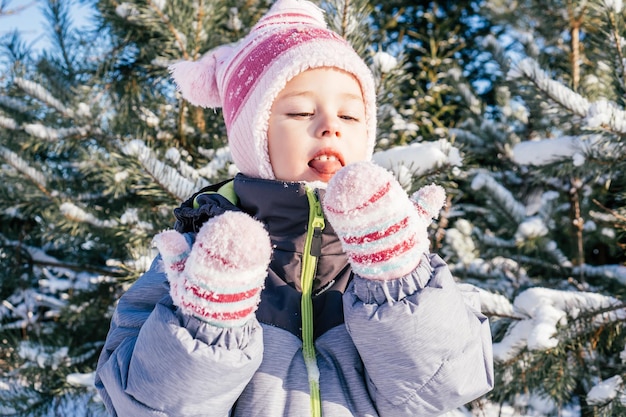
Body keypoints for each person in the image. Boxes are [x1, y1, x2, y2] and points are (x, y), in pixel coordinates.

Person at [94, 0, 494, 416]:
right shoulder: (198, 258)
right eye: (302, 111)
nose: (330, 125)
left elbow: (448, 385)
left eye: (350, 116)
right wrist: (207, 325)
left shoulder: (397, 253)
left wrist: (397, 283)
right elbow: (140, 402)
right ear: (254, 134)